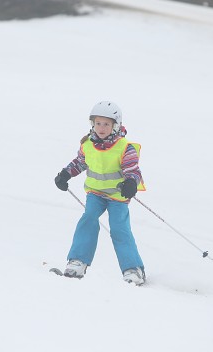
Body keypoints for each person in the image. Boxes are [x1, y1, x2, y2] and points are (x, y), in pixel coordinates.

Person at [54, 101, 147, 285]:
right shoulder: (88, 144)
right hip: (95, 194)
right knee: (88, 219)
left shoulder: (124, 147)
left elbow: (133, 170)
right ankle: (78, 261)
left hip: (117, 197)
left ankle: (133, 269)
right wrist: (65, 174)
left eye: (106, 124)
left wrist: (130, 183)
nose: (101, 128)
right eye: (97, 123)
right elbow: (79, 163)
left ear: (115, 126)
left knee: (119, 229)